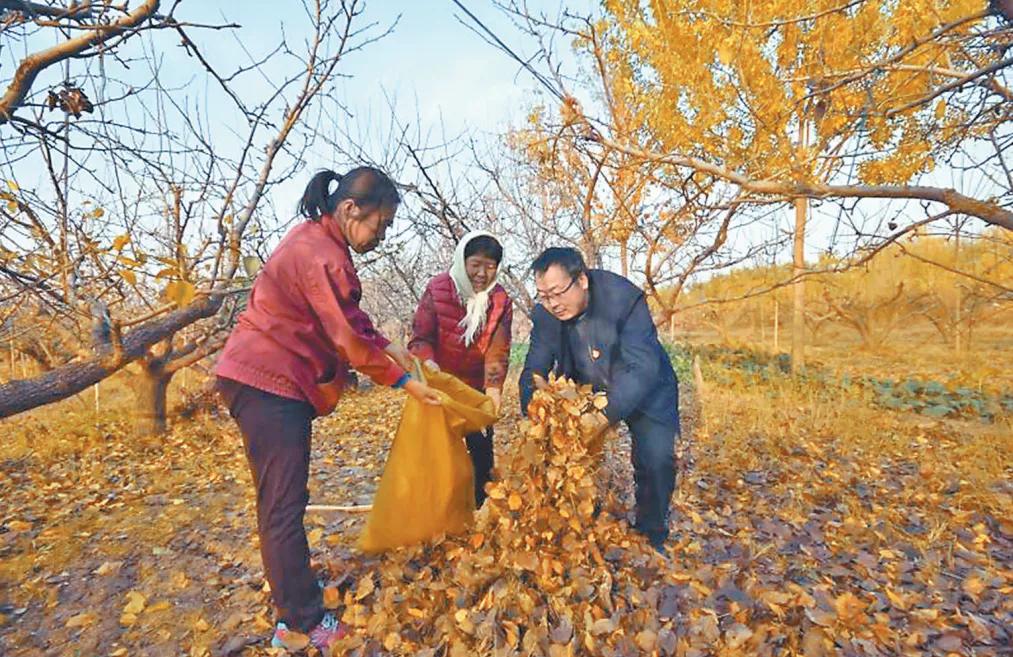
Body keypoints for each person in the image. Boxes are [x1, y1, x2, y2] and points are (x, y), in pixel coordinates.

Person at [214, 167, 441, 650]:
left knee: (279, 500)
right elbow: (346, 339)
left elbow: (350, 319)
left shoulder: (316, 241)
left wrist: (390, 347)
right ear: (351, 209)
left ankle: (293, 593)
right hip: (268, 382)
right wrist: (403, 382)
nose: (379, 238)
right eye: (379, 226)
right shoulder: (321, 255)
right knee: (283, 505)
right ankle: (300, 621)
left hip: (264, 379)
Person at [518, 247, 679, 552]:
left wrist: (604, 416)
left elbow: (642, 366)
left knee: (656, 460)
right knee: (568, 454)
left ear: (582, 280)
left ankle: (651, 535)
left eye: (557, 292)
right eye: (543, 295)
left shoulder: (623, 298)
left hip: (646, 385)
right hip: (587, 387)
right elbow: (534, 367)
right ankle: (577, 523)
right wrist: (533, 411)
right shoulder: (546, 315)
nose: (552, 303)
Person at [409, 230, 513, 507]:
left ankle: (481, 509)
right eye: (475, 264)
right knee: (438, 454)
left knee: (481, 452)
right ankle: (440, 511)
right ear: (462, 261)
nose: (482, 273)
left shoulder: (499, 299)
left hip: (474, 391)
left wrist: (493, 391)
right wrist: (428, 365)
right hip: (439, 388)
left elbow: (497, 349)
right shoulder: (439, 288)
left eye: (490, 267)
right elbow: (421, 337)